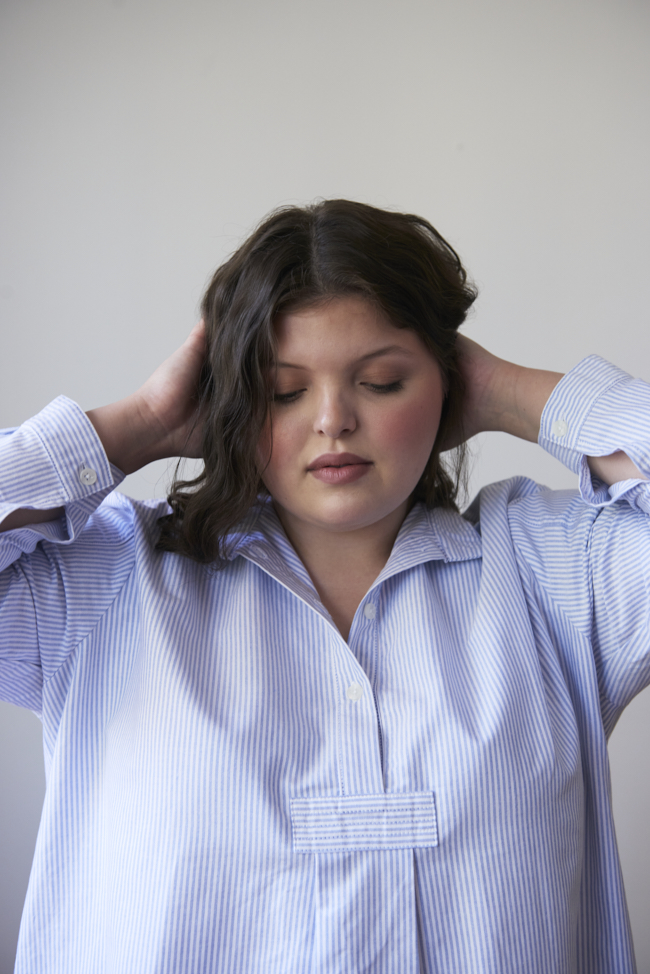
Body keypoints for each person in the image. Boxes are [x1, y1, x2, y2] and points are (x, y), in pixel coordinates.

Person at [0, 199, 648, 974]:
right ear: (233, 403)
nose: (333, 419)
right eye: (283, 391)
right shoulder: (108, 579)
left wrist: (512, 394)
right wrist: (137, 423)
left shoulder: (560, 574)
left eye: (380, 381)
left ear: (444, 387)